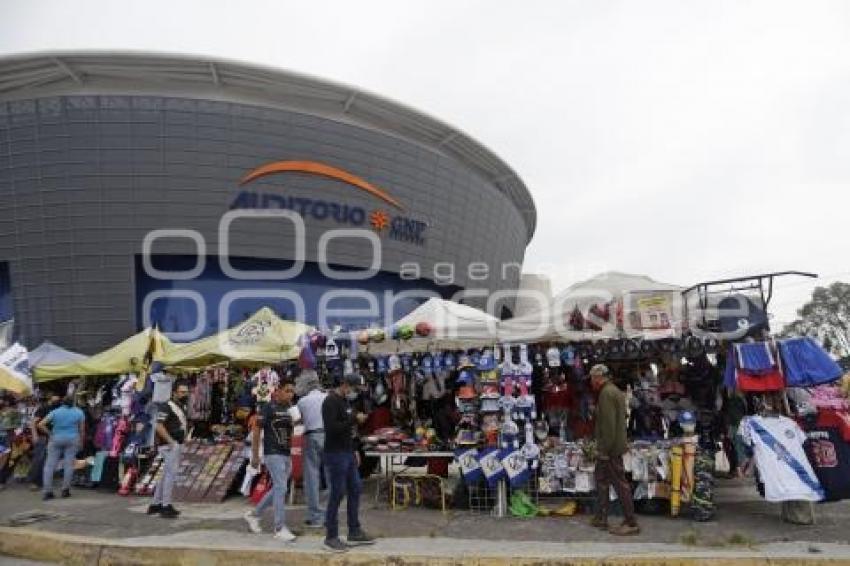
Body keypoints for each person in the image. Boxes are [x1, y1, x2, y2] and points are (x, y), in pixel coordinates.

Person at [322, 373, 375, 553]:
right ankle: (331, 536)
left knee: (356, 488)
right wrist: (353, 418)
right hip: (335, 454)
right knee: (337, 493)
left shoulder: (345, 402)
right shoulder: (330, 402)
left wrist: (354, 450)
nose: (355, 392)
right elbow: (332, 429)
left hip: (347, 453)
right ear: (345, 385)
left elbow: (348, 430)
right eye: (353, 389)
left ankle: (354, 530)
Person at [244, 379, 301, 542]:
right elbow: (256, 430)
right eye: (288, 390)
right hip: (272, 453)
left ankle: (254, 515)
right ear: (279, 391)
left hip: (285, 453)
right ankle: (279, 527)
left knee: (278, 487)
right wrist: (255, 456)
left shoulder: (289, 408)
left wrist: (294, 412)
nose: (291, 393)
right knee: (281, 487)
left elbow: (295, 425)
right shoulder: (268, 407)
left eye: (293, 391)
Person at [589, 364, 639, 536]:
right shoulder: (613, 391)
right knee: (601, 480)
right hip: (611, 446)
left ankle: (631, 522)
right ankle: (601, 517)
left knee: (619, 483)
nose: (591, 381)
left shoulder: (606, 393)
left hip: (610, 448)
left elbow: (609, 426)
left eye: (592, 378)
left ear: (598, 377)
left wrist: (604, 450)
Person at [147, 380, 190, 518]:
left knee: (166, 474)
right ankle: (166, 506)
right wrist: (171, 441)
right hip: (170, 445)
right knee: (170, 476)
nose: (185, 394)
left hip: (173, 444)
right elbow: (159, 425)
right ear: (174, 393)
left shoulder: (179, 406)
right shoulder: (167, 406)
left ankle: (155, 504)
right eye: (182, 392)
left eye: (186, 392)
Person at [295, 369, 330, 528]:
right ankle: (330, 514)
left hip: (311, 436)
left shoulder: (302, 402)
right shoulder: (328, 397)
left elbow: (297, 421)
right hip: (329, 437)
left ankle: (315, 516)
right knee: (331, 477)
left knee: (312, 478)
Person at [38, 395, 85, 500]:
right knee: (69, 464)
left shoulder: (55, 412)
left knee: (50, 465)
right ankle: (65, 490)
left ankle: (47, 491)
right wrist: (81, 442)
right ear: (73, 402)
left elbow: (41, 424)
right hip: (73, 439)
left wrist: (50, 433)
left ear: (62, 403)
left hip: (56, 438)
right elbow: (82, 429)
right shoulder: (79, 412)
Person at [27, 394, 61, 490]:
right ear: (50, 398)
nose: (57, 400)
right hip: (42, 437)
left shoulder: (57, 408)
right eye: (56, 397)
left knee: (47, 459)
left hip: (51, 437)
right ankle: (33, 481)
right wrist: (34, 435)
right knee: (38, 459)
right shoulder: (44, 408)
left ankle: (41, 481)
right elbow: (34, 422)